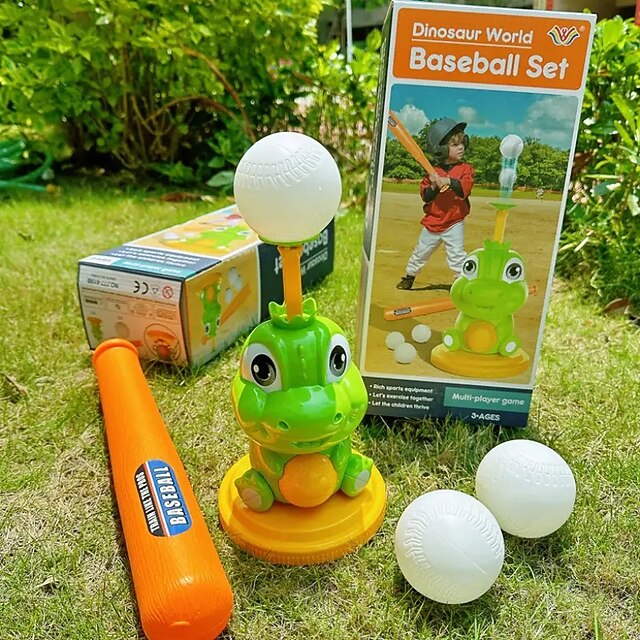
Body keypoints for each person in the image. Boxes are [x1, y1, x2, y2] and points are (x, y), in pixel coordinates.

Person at [396, 119, 475, 290]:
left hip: (454, 222)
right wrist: (433, 185)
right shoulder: (432, 173)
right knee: (421, 252)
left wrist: (448, 181)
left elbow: (465, 188)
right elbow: (426, 197)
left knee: (457, 255)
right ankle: (409, 277)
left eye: (462, 143)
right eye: (455, 145)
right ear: (441, 149)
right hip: (433, 222)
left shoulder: (465, 169)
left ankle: (462, 283)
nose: (461, 147)